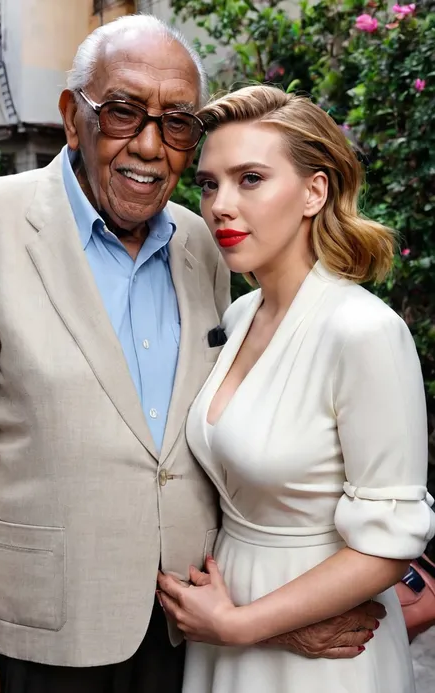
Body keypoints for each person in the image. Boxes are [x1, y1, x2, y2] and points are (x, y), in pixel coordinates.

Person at [0, 16, 385, 693]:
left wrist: (271, 613)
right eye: (124, 112)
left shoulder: (202, 244)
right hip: (43, 630)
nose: (151, 146)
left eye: (177, 123)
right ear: (74, 117)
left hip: (189, 626)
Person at [157, 84, 435, 693]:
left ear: (315, 190)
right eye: (208, 184)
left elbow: (389, 546)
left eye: (250, 178)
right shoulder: (237, 317)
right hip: (222, 619)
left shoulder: (363, 332)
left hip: (324, 649)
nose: (221, 205)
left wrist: (240, 625)